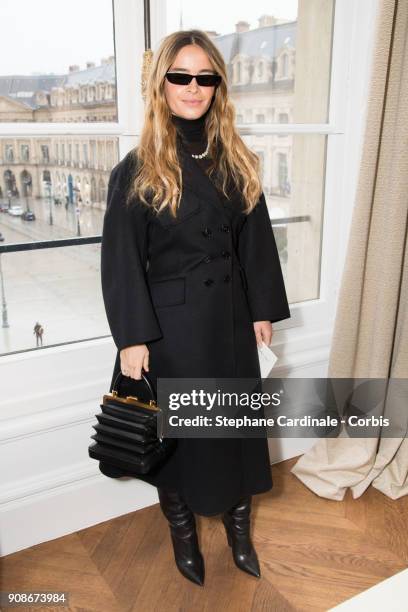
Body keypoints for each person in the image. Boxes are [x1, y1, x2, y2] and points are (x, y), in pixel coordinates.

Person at [100, 29, 291, 587]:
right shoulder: (136, 169)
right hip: (171, 334)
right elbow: (121, 263)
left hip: (230, 326)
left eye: (205, 77)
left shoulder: (238, 162)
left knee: (232, 433)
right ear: (162, 84)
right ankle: (183, 534)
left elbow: (255, 245)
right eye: (180, 76)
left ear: (218, 87)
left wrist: (261, 310)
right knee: (178, 444)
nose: (193, 87)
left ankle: (238, 533)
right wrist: (132, 338)